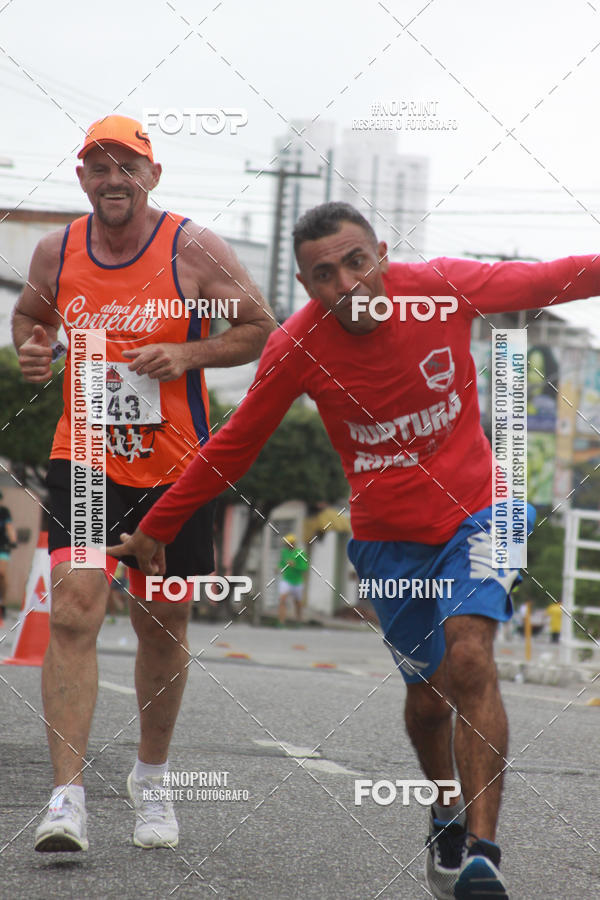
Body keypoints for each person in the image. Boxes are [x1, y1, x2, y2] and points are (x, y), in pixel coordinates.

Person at [108, 201, 600, 899]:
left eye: (356, 262)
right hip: (388, 541)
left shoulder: (439, 288)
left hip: (482, 514)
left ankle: (484, 855)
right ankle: (445, 811)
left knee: (469, 655)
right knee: (428, 699)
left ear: (382, 256)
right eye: (324, 275)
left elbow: (549, 279)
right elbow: (234, 444)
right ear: (307, 288)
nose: (346, 284)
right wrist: (158, 525)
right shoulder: (296, 347)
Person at [12, 114, 274, 854]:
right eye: (98, 167)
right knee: (73, 609)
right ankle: (67, 800)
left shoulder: (192, 247)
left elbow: (259, 328)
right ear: (82, 179)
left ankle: (151, 780)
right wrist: (34, 352)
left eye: (126, 165)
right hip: (87, 457)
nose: (112, 179)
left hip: (176, 469)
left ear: (151, 174)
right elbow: (31, 319)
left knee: (163, 626)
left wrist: (188, 354)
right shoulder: (55, 250)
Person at [277, 533, 309, 624]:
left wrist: (295, 566)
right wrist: (278, 567)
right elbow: (282, 563)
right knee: (282, 599)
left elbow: (304, 567)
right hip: (286, 580)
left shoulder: (300, 553)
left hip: (297, 582)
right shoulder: (284, 552)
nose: (287, 545)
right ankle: (281, 622)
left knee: (297, 603)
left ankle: (298, 620)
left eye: (289, 543)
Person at [0, 492, 18, 622]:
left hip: (2, 546)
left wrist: (13, 540)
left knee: (1, 574)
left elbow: (9, 527)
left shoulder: (4, 512)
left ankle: (2, 603)